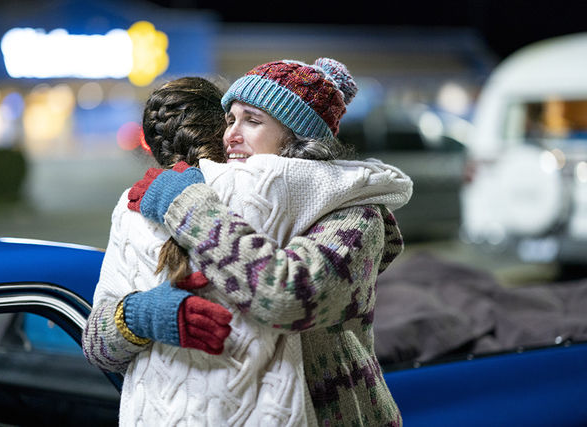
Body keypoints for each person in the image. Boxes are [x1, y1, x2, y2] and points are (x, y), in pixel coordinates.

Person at [84, 59, 412, 426]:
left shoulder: (354, 214)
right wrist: (137, 315)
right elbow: (97, 347)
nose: (231, 136)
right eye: (230, 120)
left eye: (252, 121)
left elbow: (289, 296)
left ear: (299, 136)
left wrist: (188, 207)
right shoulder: (193, 198)